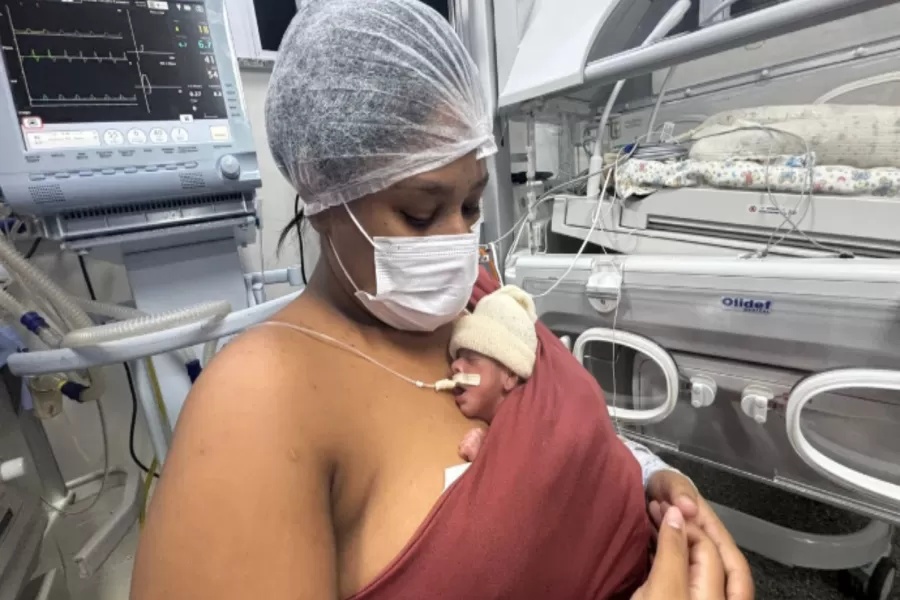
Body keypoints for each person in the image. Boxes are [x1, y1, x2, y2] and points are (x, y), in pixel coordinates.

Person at [130, 1, 754, 599]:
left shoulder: (481, 302)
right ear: (324, 199)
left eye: (472, 205)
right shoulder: (262, 399)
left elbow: (577, 439)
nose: (458, 242)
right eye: (420, 213)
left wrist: (655, 484)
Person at [447, 284, 539, 462]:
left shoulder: (528, 427)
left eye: (471, 358)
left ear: (510, 376)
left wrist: (489, 458)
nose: (455, 366)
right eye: (458, 357)